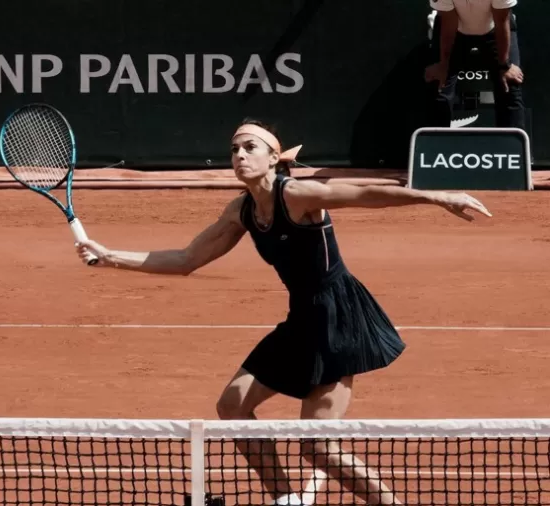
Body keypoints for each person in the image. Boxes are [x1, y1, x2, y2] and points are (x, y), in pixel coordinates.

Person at [75, 119, 492, 505]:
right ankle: (286, 500)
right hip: (301, 318)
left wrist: (435, 195)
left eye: (250, 147)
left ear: (273, 157)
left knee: (317, 448)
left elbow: (363, 194)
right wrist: (109, 255)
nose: (239, 155)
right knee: (233, 406)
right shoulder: (240, 211)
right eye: (234, 149)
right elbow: (186, 259)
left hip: (337, 317)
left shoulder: (295, 194)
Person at [425, 0, 525, 130]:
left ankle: (512, 147)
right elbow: (449, 24)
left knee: (510, 86)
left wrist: (505, 66)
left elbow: (501, 21)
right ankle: (434, 146)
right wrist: (443, 65)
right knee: (440, 86)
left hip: (495, 28)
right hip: (453, 31)